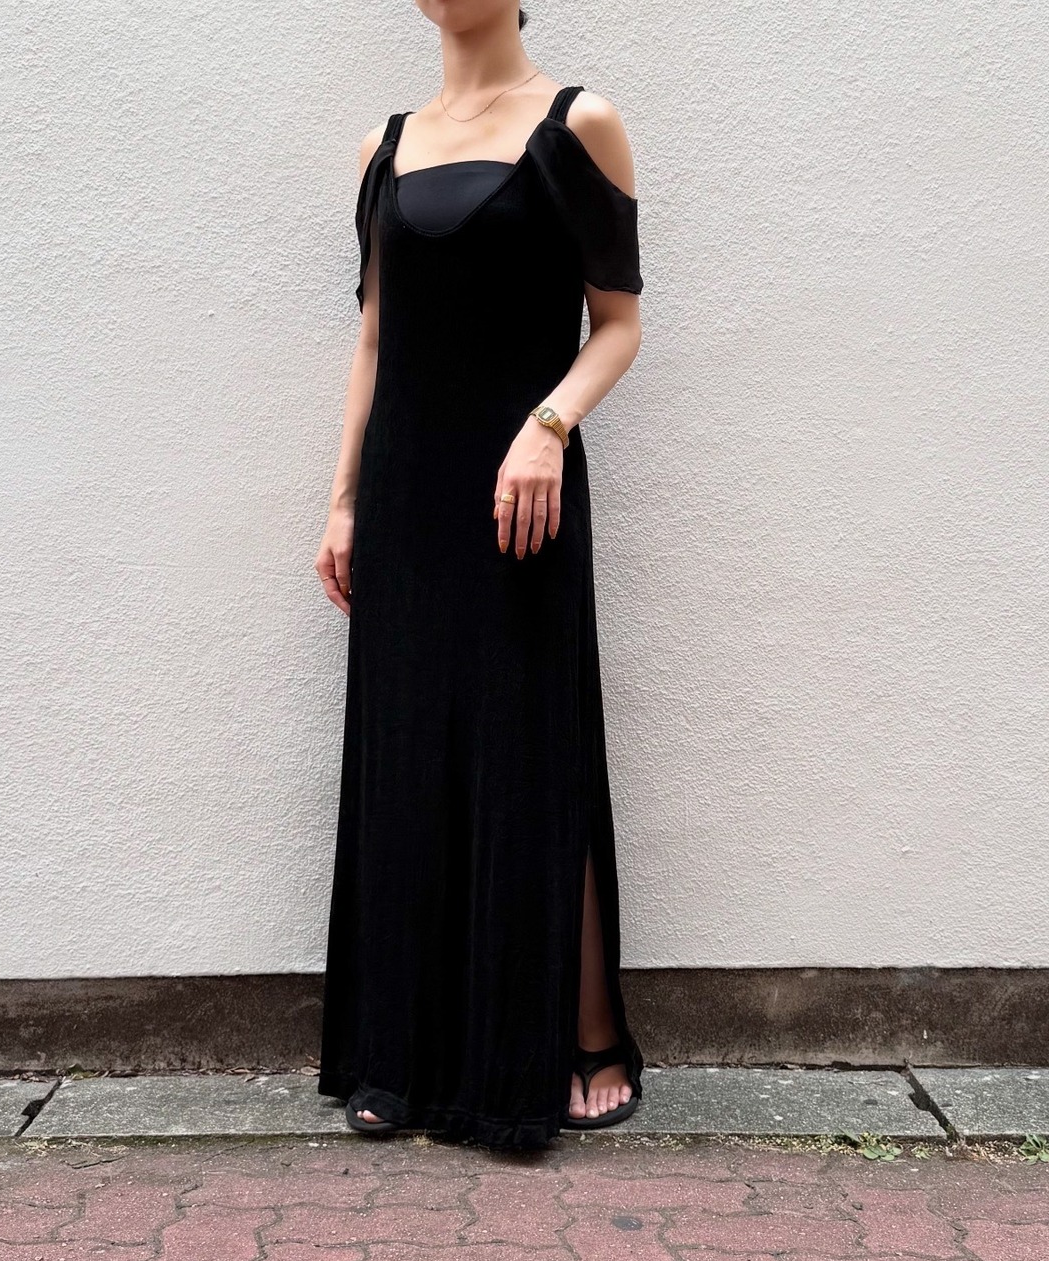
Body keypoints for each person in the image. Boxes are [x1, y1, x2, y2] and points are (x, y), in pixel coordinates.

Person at [313, 0, 646, 1150]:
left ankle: (586, 1035)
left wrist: (547, 426)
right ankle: (398, 1054)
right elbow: (373, 336)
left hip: (521, 494)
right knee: (406, 751)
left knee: (529, 745)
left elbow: (617, 323)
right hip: (405, 491)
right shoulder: (385, 146)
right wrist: (343, 498)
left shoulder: (578, 123)